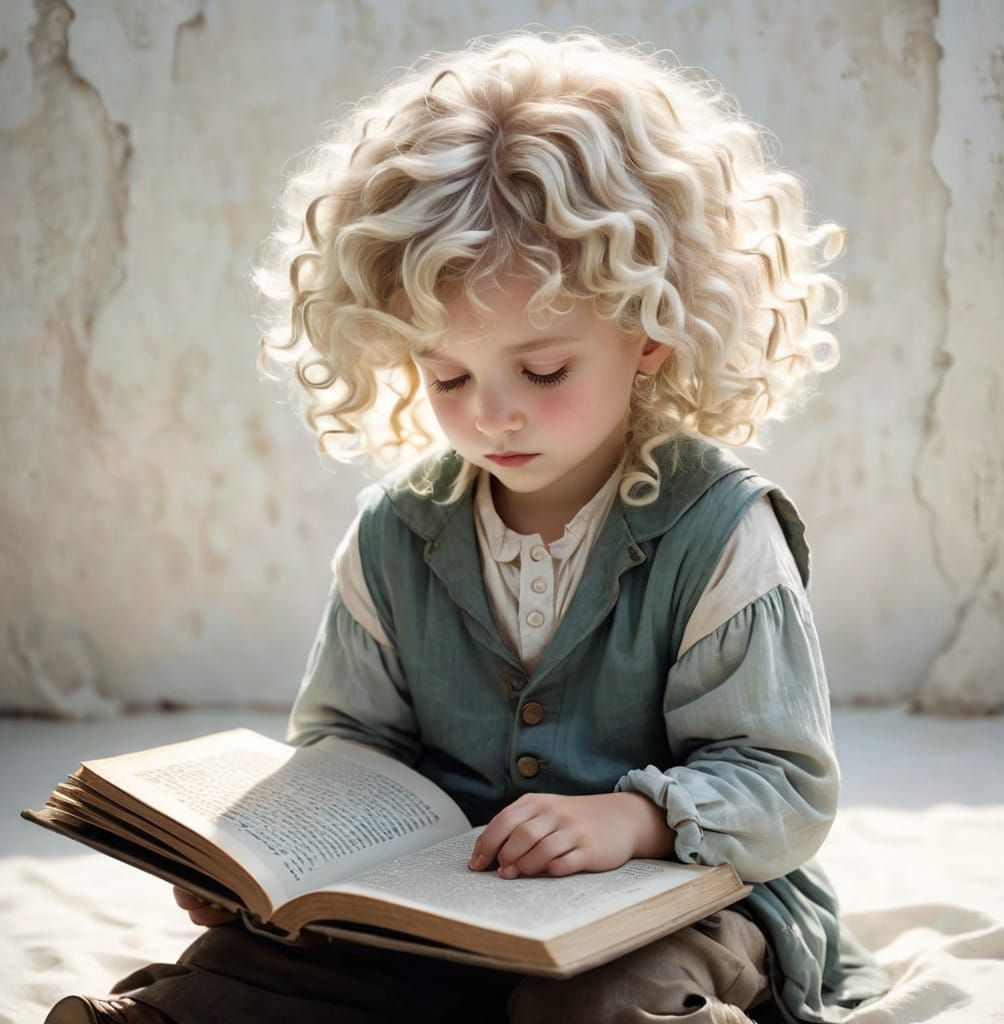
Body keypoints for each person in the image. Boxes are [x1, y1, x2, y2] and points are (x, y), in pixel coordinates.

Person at [47, 28, 891, 1024]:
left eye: (542, 371)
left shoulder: (719, 532)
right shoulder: (398, 531)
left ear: (653, 333)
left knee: (597, 1003)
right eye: (447, 376)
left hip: (680, 900)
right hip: (442, 907)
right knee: (239, 975)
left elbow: (783, 785)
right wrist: (259, 861)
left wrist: (632, 818)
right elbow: (348, 743)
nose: (491, 413)